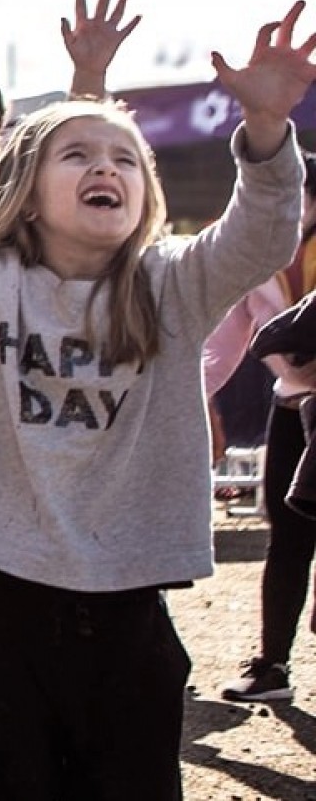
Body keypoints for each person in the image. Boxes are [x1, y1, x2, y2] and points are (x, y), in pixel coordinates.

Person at [0, 0, 313, 797]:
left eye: (125, 158)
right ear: (24, 193)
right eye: (79, 154)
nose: (108, 168)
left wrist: (268, 131)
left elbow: (264, 233)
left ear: (146, 193)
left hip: (131, 600)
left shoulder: (175, 284)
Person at [210, 147, 316, 702]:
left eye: (296, 195)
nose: (286, 208)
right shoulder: (254, 260)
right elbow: (223, 344)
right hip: (292, 409)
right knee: (287, 537)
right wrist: (189, 395)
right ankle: (271, 664)